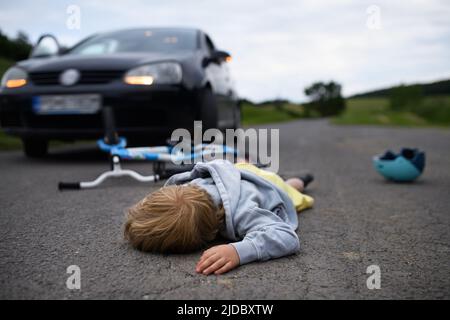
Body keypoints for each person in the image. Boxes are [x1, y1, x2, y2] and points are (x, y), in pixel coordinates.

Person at [124, 159, 314, 275]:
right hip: (237, 171)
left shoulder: (244, 213)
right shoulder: (188, 187)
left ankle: (299, 180)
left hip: (272, 186)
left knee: (291, 187)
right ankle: (248, 161)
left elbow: (287, 237)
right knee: (244, 164)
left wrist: (240, 251)